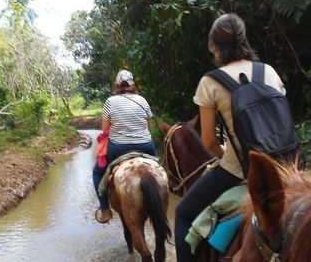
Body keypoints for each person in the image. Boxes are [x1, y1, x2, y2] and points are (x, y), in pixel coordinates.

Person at [174, 13, 287, 261]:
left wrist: (225, 153)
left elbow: (209, 142)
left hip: (239, 171)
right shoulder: (269, 71)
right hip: (285, 167)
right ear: (243, 40)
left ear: (214, 47)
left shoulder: (210, 82)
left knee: (182, 213)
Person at [93, 69, 156, 223]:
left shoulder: (110, 102)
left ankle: (105, 209)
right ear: (133, 85)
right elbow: (149, 128)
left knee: (97, 173)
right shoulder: (143, 100)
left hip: (118, 147)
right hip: (146, 146)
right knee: (158, 166)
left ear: (117, 86)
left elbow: (105, 131)